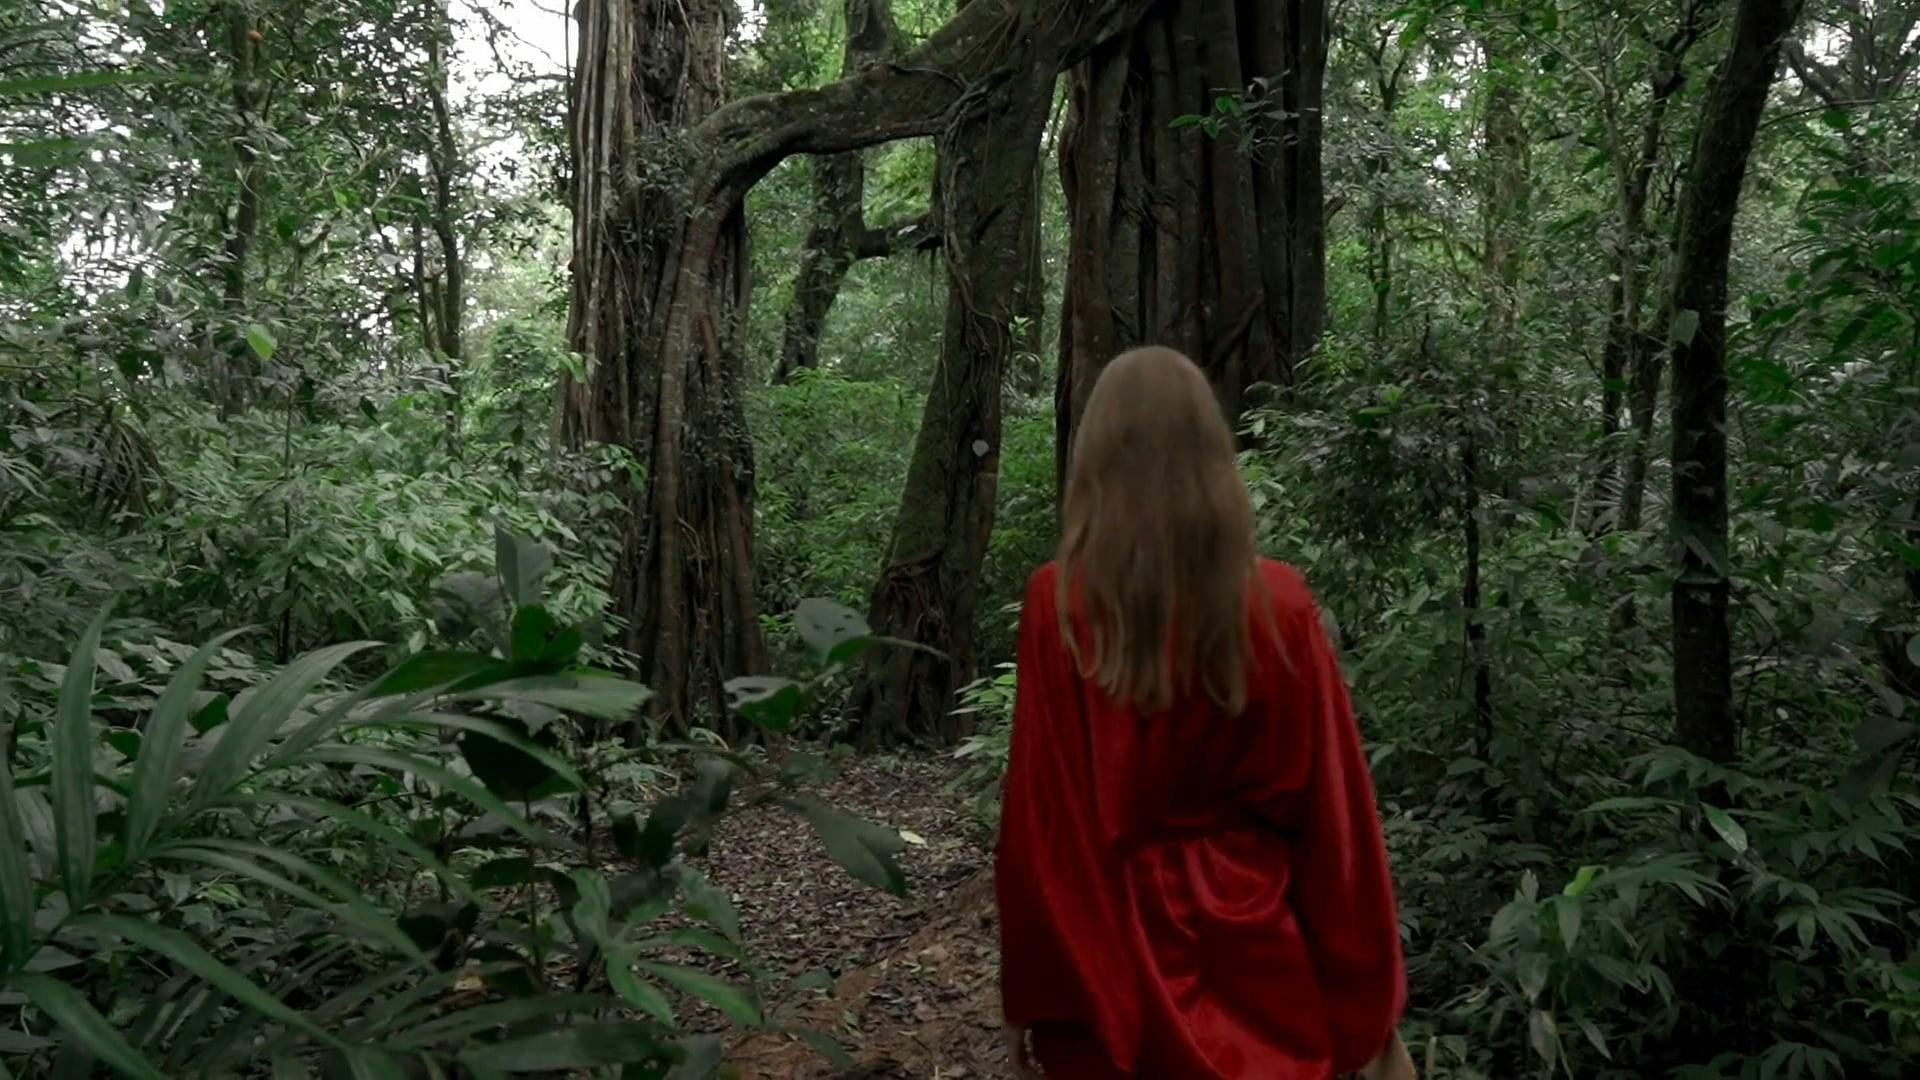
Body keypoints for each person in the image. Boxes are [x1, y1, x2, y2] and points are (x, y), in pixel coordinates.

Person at [994, 347, 1413, 1079]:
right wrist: (1368, 1009)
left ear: (1097, 459)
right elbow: (1332, 819)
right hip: (1257, 959)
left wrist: (1037, 998)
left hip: (1110, 968)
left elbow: (1043, 826)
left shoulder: (1057, 604)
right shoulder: (1278, 603)